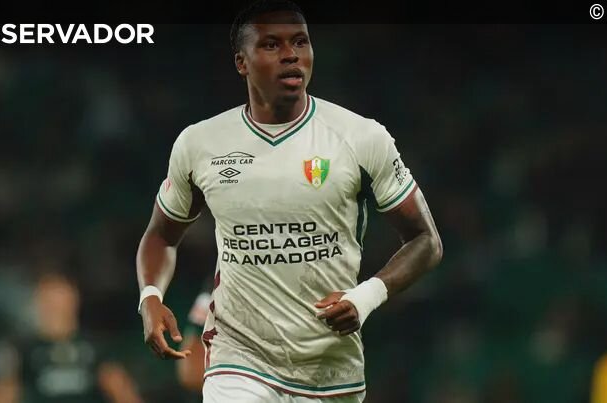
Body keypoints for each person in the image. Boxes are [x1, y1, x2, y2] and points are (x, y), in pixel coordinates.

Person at [135, 1, 443, 401]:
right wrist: (150, 296)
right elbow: (161, 235)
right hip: (238, 358)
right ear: (242, 62)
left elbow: (425, 240)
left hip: (330, 368)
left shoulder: (361, 137)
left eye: (300, 42)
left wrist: (365, 297)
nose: (291, 55)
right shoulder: (200, 144)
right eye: (271, 45)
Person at [0, 272, 144, 403]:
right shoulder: (23, 350)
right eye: (49, 299)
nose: (55, 305)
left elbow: (122, 392)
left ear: (74, 299)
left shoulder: (95, 348)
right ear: (38, 301)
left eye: (60, 297)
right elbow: (4, 394)